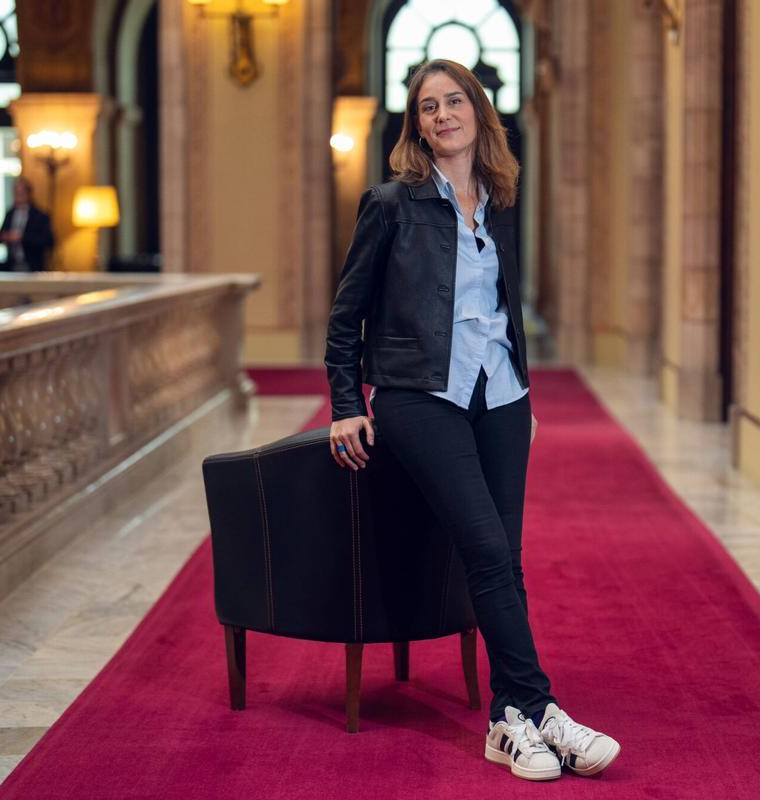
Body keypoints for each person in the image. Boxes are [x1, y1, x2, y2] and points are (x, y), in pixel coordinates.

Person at [324, 59, 621, 782]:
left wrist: (524, 393)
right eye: (428, 106)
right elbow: (345, 315)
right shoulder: (391, 204)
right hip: (417, 395)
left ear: (479, 113)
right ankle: (540, 708)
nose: (442, 115)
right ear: (415, 124)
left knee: (502, 558)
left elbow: (504, 310)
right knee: (487, 550)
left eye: (454, 101)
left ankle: (507, 720)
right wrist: (342, 406)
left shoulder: (501, 200)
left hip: (502, 398)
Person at [0, 177, 55, 271]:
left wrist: (22, 237)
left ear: (29, 194)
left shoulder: (40, 216)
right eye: (16, 193)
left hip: (33, 266)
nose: (18, 196)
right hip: (12, 265)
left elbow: (49, 241)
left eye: (21, 193)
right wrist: (6, 236)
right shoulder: (10, 214)